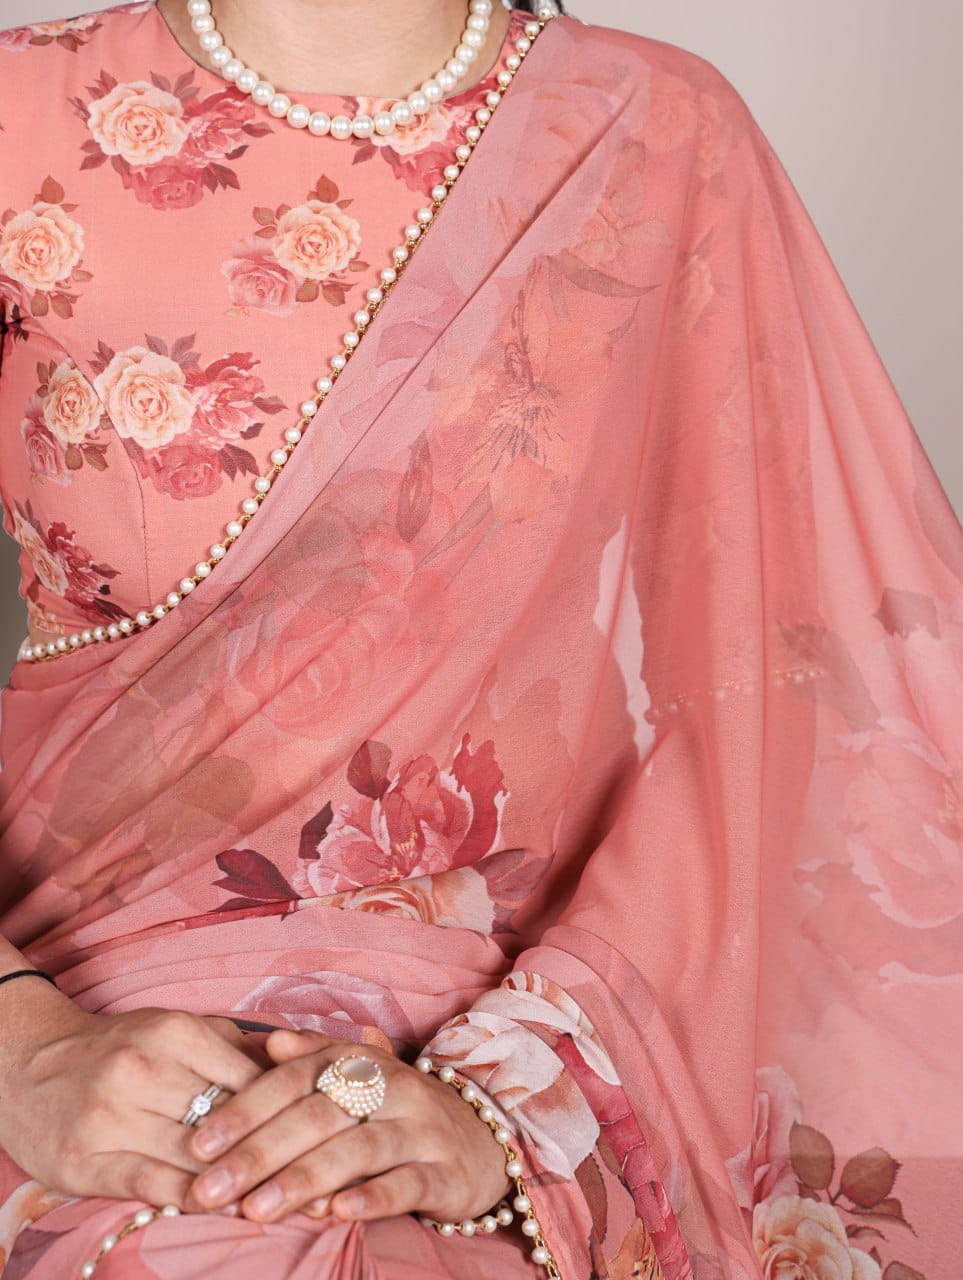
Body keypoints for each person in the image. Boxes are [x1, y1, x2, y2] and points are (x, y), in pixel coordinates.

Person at [0, 0, 959, 1277]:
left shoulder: (655, 132)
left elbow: (788, 711)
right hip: (76, 1005)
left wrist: (513, 1118)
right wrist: (28, 1054)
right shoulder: (21, 113)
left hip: (518, 1020)